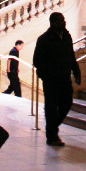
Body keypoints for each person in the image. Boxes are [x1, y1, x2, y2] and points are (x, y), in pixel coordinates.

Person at [33, 12, 80, 147]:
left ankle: (52, 128)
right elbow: (37, 61)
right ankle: (52, 136)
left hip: (65, 78)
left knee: (67, 104)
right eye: (60, 20)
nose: (64, 22)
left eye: (64, 20)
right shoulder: (44, 39)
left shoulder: (67, 36)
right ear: (53, 22)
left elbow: (71, 56)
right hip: (51, 80)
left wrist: (76, 72)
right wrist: (46, 75)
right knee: (51, 108)